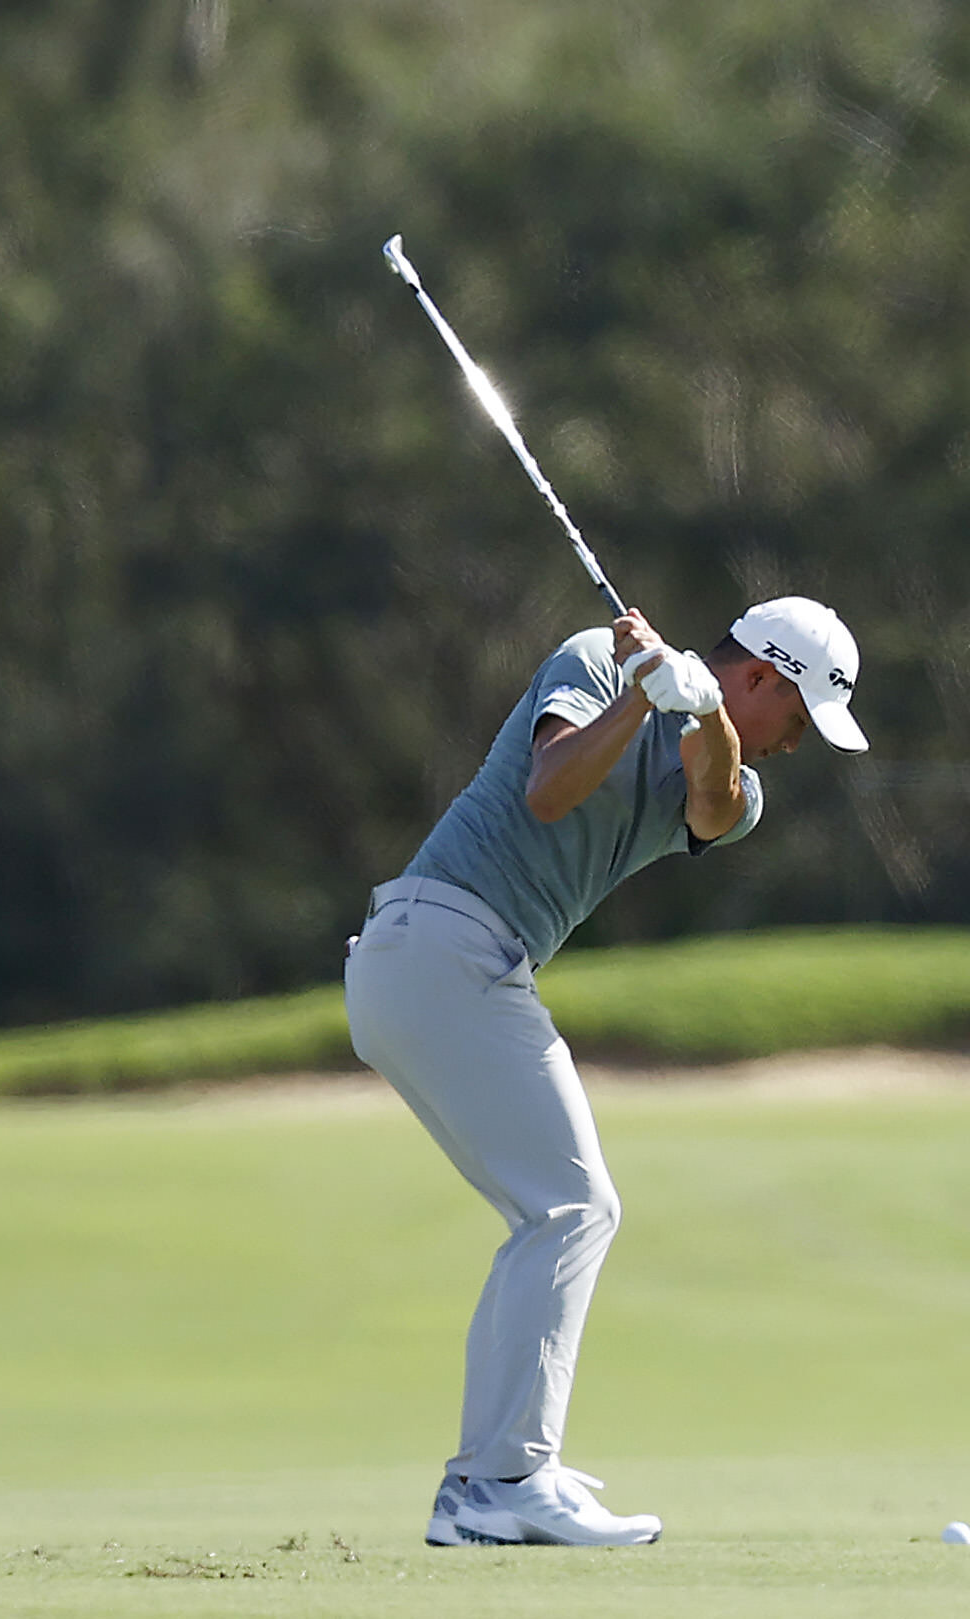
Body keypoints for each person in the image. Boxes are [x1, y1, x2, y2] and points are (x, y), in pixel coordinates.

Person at [344, 595, 867, 1547]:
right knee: (574, 1207)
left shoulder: (736, 782)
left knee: (555, 1210)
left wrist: (699, 707)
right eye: (794, 720)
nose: (794, 745)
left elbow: (715, 796)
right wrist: (637, 694)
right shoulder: (592, 656)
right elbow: (549, 788)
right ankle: (503, 1477)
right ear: (763, 674)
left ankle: (495, 1471)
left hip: (452, 961)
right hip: (438, 946)